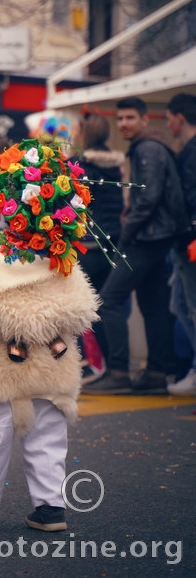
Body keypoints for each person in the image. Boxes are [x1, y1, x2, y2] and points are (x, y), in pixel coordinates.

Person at [0, 139, 99, 534]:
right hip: (53, 364)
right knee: (48, 440)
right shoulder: (61, 256)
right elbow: (83, 310)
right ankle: (51, 509)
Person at [84, 97, 187, 395]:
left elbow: (148, 196)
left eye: (130, 118)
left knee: (108, 300)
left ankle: (118, 372)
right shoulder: (148, 148)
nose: (124, 123)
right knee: (153, 305)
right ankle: (155, 373)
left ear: (144, 120)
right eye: (120, 119)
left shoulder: (147, 149)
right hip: (157, 237)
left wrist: (128, 231)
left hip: (146, 236)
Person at [69, 113, 125, 383]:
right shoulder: (115, 165)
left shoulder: (80, 165)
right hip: (112, 242)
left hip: (88, 244)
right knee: (105, 305)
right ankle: (110, 365)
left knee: (83, 307)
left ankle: (92, 363)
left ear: (84, 133)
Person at [165, 93, 196, 395]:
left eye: (168, 117)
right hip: (187, 242)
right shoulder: (186, 151)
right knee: (181, 304)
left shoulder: (191, 153)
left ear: (179, 118)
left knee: (189, 306)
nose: (168, 123)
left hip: (191, 244)